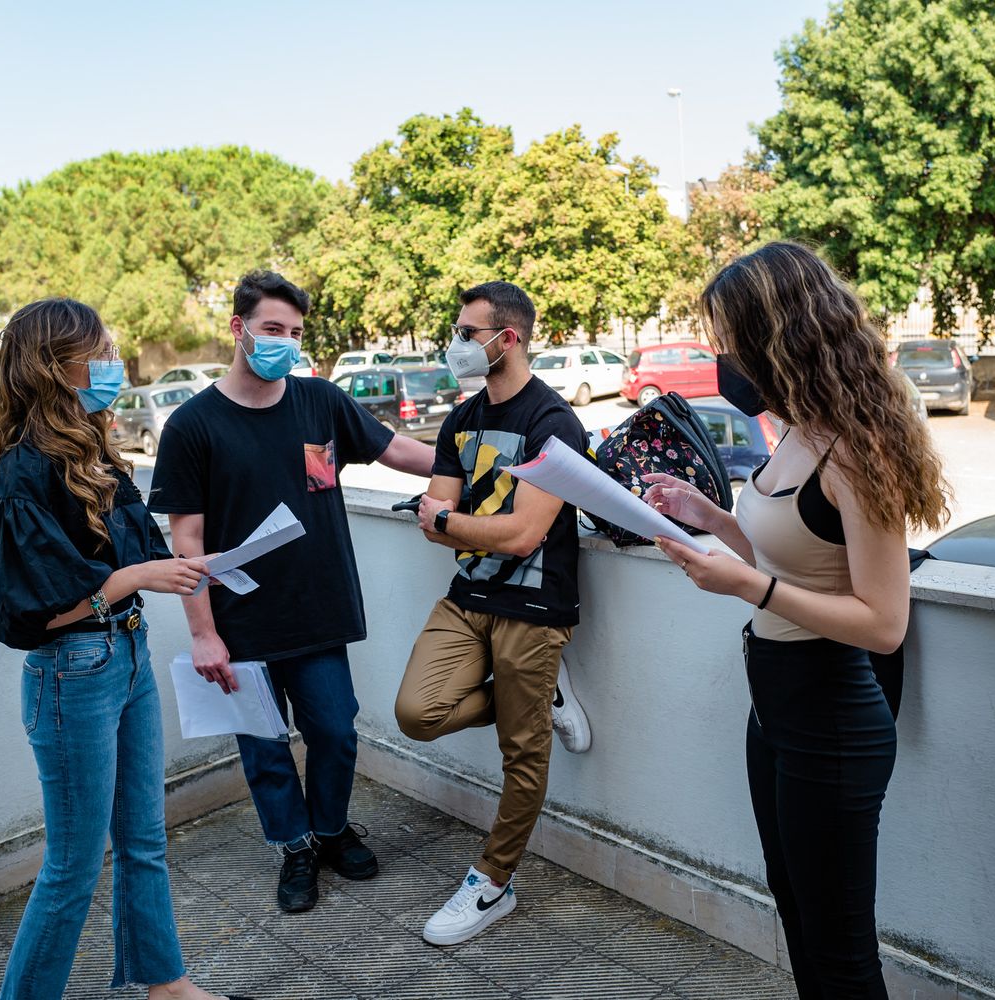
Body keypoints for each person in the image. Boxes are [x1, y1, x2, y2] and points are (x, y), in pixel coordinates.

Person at [640, 242, 950, 999]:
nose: (726, 361)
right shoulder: (798, 432)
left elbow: (882, 622)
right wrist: (709, 516)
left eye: (733, 342)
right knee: (798, 913)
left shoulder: (857, 448)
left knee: (841, 950)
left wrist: (749, 588)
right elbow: (795, 558)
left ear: (781, 335)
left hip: (833, 719)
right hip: (775, 709)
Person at [0, 298, 251, 1000]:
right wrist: (130, 578)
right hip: (73, 675)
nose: (114, 364)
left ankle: (167, 985)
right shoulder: (20, 474)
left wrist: (192, 567)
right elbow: (33, 607)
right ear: (54, 367)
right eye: (99, 352)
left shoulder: (91, 451)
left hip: (125, 657)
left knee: (144, 841)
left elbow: (136, 557)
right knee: (72, 866)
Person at [149, 270, 435, 914]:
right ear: (238, 328)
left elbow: (395, 452)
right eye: (272, 329)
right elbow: (186, 541)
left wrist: (476, 461)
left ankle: (332, 830)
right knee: (265, 747)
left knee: (335, 730)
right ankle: (295, 845)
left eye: (296, 333)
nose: (284, 342)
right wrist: (203, 633)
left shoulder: (320, 402)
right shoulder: (192, 426)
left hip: (318, 609)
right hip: (240, 620)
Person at [396, 280, 592, 947]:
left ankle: (493, 883)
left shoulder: (553, 423)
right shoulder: (461, 420)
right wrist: (452, 521)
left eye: (466, 333)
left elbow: (523, 534)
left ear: (508, 339)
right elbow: (434, 521)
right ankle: (536, 697)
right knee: (417, 713)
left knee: (523, 750)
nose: (455, 346)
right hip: (470, 597)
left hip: (535, 605)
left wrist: (452, 520)